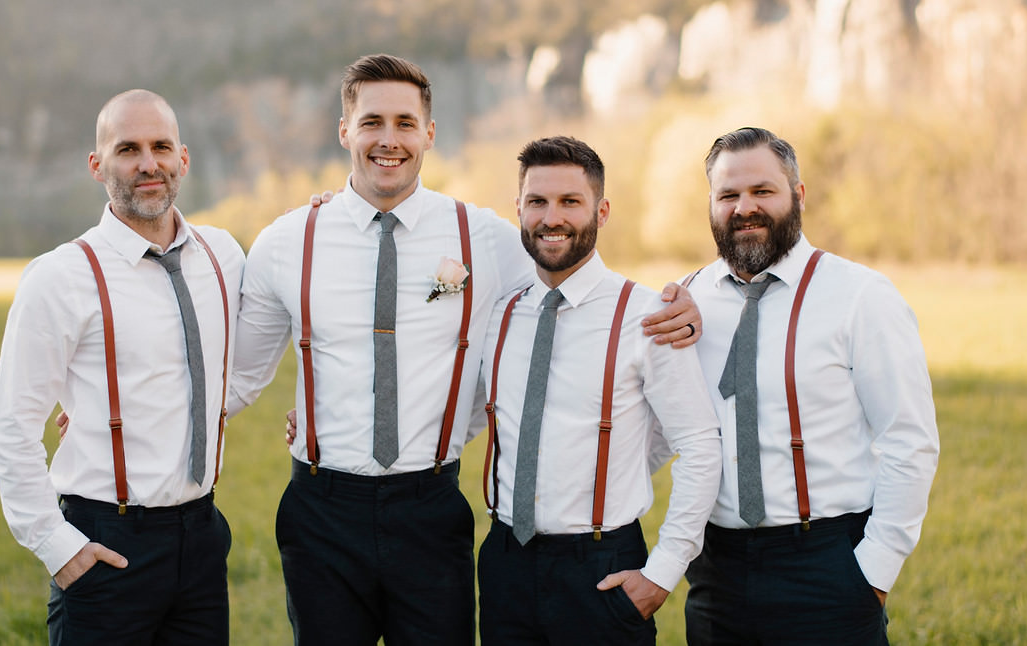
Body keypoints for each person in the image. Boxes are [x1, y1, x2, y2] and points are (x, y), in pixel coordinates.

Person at [228, 54, 701, 646]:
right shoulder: (285, 241)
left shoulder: (487, 238)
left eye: (405, 122)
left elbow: (576, 269)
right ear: (344, 129)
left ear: (429, 133)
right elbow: (240, 378)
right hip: (321, 509)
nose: (389, 139)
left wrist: (689, 300)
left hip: (431, 507)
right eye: (372, 121)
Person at [0, 90, 245, 645]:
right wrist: (58, 545)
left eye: (160, 147)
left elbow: (241, 359)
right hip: (105, 540)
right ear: (97, 164)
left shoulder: (224, 256)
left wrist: (335, 204)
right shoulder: (60, 276)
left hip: (202, 537)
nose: (148, 164)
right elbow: (12, 424)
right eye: (128, 149)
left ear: (184, 158)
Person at [678, 126, 940, 646]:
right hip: (716, 570)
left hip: (826, 565)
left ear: (798, 196)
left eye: (762, 191)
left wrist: (872, 574)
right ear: (711, 204)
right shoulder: (688, 298)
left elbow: (909, 440)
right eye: (728, 194)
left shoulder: (861, 296)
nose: (744, 207)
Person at [476, 136, 722, 645]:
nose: (552, 218)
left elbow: (699, 445)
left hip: (601, 565)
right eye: (538, 202)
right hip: (505, 562)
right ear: (518, 209)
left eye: (570, 201)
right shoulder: (497, 315)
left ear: (601, 210)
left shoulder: (649, 315)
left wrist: (661, 573)